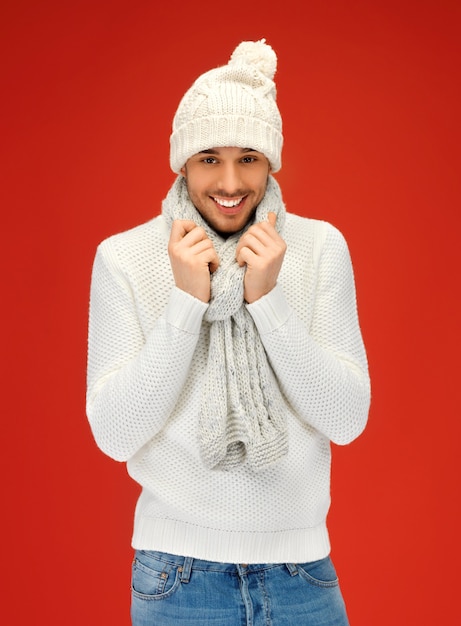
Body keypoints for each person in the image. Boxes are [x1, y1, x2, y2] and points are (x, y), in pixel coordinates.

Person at [86, 39, 371, 626]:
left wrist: (268, 303)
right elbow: (115, 434)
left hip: (302, 575)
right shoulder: (125, 257)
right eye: (209, 158)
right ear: (182, 163)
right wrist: (185, 304)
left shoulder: (319, 248)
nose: (231, 181)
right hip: (177, 578)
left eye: (249, 157)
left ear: (272, 163)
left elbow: (347, 418)